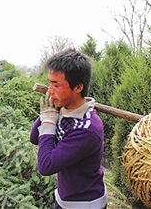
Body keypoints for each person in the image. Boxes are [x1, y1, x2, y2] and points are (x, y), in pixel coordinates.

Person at [30, 48, 107, 209]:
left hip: (84, 204)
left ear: (78, 87)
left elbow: (46, 165)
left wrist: (49, 123)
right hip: (63, 199)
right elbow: (35, 138)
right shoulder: (64, 110)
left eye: (56, 85)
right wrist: (48, 114)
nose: (49, 90)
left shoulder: (87, 128)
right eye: (49, 83)